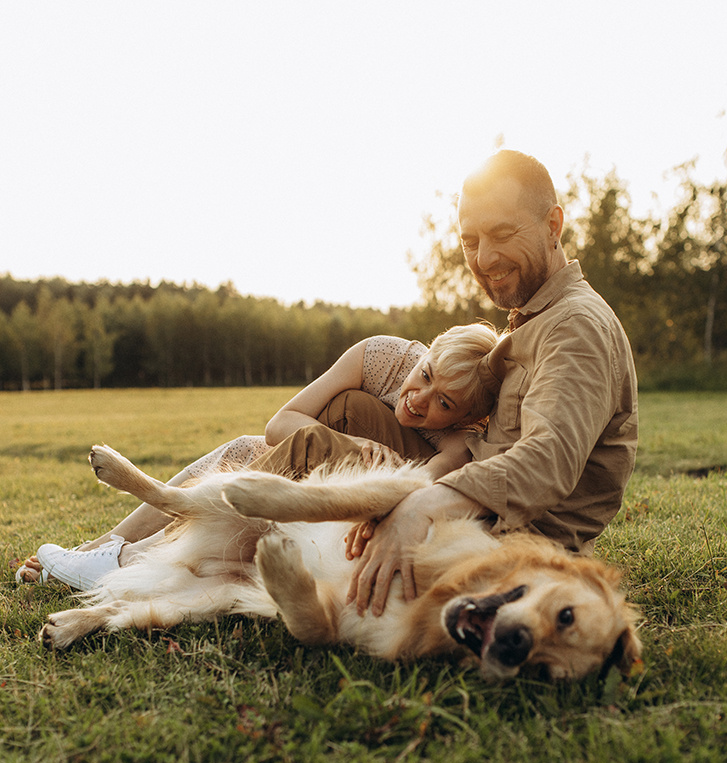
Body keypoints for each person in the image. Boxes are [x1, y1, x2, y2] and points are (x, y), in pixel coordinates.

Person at [342, 149, 639, 616]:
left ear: (553, 226)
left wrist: (422, 507)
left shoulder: (575, 326)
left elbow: (549, 459)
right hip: (468, 496)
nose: (484, 258)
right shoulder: (535, 318)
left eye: (503, 234)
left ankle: (198, 518)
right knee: (350, 409)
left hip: (504, 541)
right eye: (470, 240)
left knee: (304, 454)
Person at [20, 324, 499, 589]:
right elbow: (281, 424)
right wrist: (353, 445)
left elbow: (417, 489)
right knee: (247, 448)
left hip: (372, 489)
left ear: (467, 416)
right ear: (425, 350)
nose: (420, 398)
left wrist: (368, 460)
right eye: (426, 374)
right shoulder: (380, 355)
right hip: (335, 460)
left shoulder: (461, 441)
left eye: (444, 404)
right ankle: (102, 547)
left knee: (323, 422)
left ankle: (131, 559)